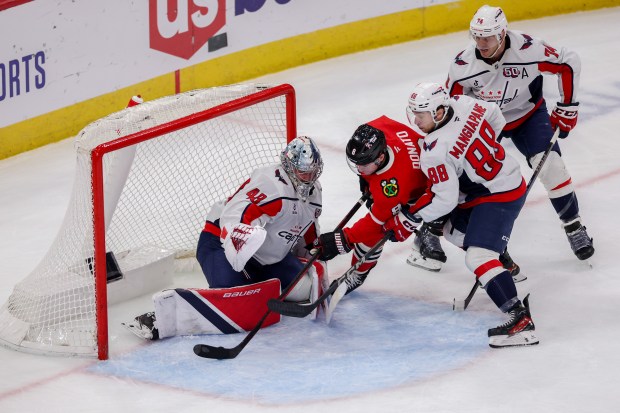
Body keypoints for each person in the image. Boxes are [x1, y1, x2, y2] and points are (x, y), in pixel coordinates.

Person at [123, 136, 327, 340]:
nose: (309, 177)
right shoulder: (272, 186)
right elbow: (234, 214)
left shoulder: (314, 192)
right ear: (289, 167)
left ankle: (258, 287)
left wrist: (315, 250)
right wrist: (240, 242)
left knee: (304, 290)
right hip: (220, 244)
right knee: (236, 300)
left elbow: (307, 229)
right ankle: (162, 318)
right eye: (303, 172)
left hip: (268, 257)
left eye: (313, 172)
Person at [393, 82, 538, 348]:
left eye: (421, 114)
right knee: (451, 229)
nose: (415, 120)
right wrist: (478, 154)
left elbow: (444, 200)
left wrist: (412, 217)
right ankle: (499, 263)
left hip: (497, 196)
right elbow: (495, 115)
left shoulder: (434, 151)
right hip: (503, 179)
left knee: (477, 256)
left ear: (438, 112)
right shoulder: (464, 103)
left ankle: (520, 320)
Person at [445, 5, 594, 261]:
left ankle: (574, 226)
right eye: (476, 36)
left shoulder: (528, 49)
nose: (481, 43)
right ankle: (431, 228)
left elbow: (568, 61)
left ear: (502, 34)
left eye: (488, 37)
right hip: (486, 122)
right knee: (459, 175)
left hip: (528, 115)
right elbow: (451, 107)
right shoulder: (463, 66)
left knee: (551, 166)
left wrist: (567, 106)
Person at [311, 116, 431, 294]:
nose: (359, 169)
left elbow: (375, 224)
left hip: (429, 192)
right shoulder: (376, 129)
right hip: (416, 165)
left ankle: (358, 274)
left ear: (380, 157)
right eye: (356, 163)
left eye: (363, 164)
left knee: (381, 230)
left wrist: (344, 239)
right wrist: (366, 178)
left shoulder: (393, 190)